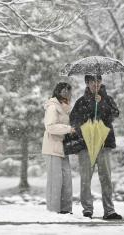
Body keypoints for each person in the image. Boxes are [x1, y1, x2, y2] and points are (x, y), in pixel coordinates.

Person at [69, 74, 122, 220]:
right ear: (87, 83)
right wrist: (85, 126)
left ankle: (109, 210)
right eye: (92, 82)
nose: (96, 84)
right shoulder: (81, 101)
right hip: (86, 145)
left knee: (106, 178)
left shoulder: (108, 99)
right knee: (86, 178)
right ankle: (87, 209)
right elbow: (73, 120)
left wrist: (102, 103)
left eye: (98, 81)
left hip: (104, 144)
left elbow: (115, 114)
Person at [41, 82, 76, 214]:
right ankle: (53, 211)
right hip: (52, 148)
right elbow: (50, 127)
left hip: (63, 149)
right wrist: (68, 129)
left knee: (66, 181)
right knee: (55, 182)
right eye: (64, 91)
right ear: (58, 92)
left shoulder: (65, 108)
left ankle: (65, 210)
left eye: (69, 91)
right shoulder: (52, 107)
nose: (67, 93)